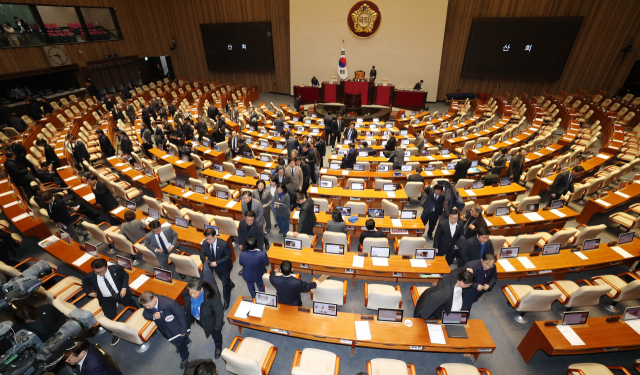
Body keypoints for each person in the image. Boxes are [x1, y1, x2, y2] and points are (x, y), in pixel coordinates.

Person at [82, 258, 138, 345]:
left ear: (106, 266)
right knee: (110, 317)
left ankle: (138, 314)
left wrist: (124, 288)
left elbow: (125, 276)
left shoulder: (117, 268)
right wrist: (89, 292)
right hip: (106, 299)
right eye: (97, 272)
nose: (99, 274)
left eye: (101, 271)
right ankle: (117, 332)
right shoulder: (91, 276)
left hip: (121, 293)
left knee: (131, 304)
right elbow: (85, 283)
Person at [140, 291, 191, 369]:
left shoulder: (170, 303)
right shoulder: (149, 305)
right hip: (165, 330)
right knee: (182, 341)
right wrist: (152, 316)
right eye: (145, 306)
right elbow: (145, 314)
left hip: (176, 330)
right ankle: (187, 341)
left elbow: (181, 316)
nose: (147, 307)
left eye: (147, 305)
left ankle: (185, 357)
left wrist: (183, 330)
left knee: (179, 345)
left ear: (154, 298)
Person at [183, 278, 224, 359]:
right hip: (197, 317)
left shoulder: (212, 296)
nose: (192, 295)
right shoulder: (188, 293)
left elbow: (219, 313)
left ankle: (218, 347)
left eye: (195, 293)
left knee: (216, 335)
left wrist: (217, 327)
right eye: (190, 292)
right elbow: (187, 304)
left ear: (201, 289)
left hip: (210, 319)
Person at [200, 228, 234, 309]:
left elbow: (228, 256)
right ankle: (231, 284)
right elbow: (202, 254)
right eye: (206, 239)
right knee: (223, 279)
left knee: (224, 285)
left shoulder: (223, 244)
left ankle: (226, 301)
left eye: (209, 239)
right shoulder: (205, 243)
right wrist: (206, 261)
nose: (208, 241)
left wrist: (217, 263)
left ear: (215, 236)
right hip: (215, 267)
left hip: (224, 267)